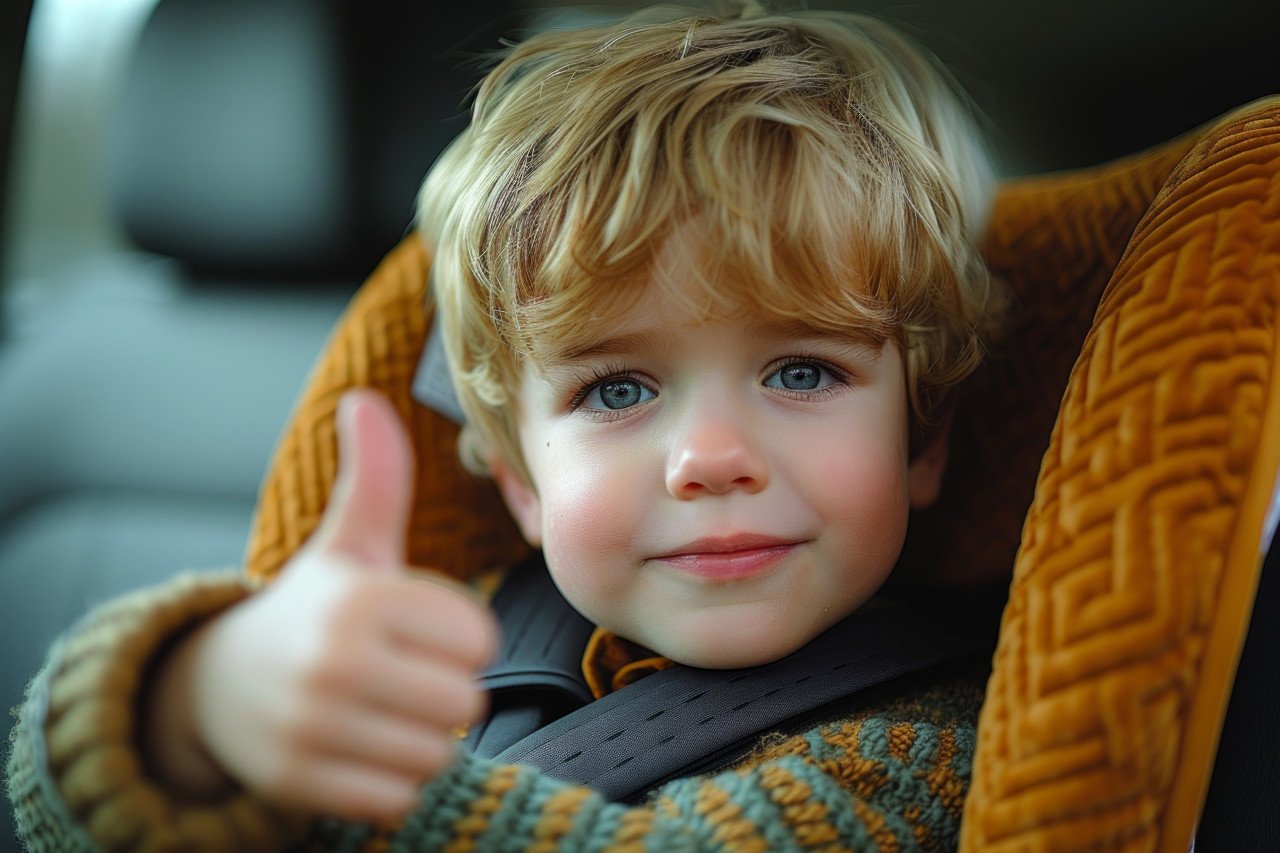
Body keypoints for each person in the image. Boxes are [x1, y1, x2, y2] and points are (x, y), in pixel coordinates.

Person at [6, 2, 1006, 849]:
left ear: (920, 438)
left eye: (800, 369)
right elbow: (52, 817)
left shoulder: (936, 740)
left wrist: (329, 781)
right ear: (521, 478)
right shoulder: (456, 636)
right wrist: (196, 705)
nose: (708, 458)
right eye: (616, 392)